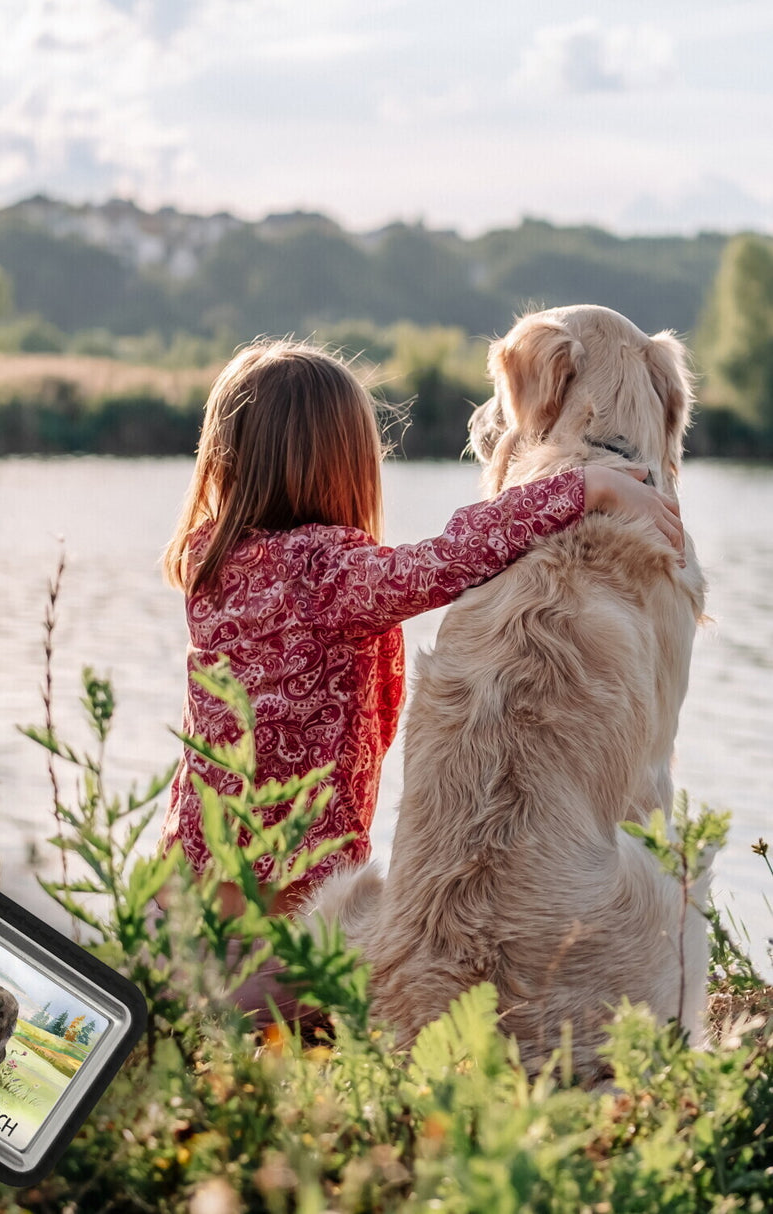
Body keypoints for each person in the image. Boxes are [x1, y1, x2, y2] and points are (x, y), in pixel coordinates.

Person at [158, 338, 685, 941]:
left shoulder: (213, 560)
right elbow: (449, 559)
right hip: (281, 886)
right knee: (338, 978)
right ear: (345, 462)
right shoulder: (324, 572)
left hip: (192, 862)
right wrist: (585, 487)